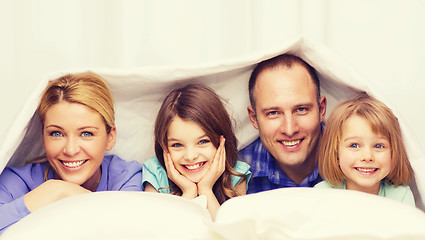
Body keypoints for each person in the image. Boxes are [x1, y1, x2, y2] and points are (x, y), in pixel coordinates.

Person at [0, 73, 143, 233]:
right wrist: (53, 190)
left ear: (110, 137)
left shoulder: (127, 177)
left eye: (86, 134)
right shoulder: (15, 181)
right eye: (56, 133)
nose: (70, 150)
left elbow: (127, 231)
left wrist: (67, 194)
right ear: (43, 137)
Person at [142, 83, 251, 220]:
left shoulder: (236, 174)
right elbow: (163, 232)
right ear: (164, 146)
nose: (190, 156)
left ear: (221, 141)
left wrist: (206, 190)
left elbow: (230, 234)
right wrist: (189, 192)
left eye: (203, 142)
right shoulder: (155, 174)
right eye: (177, 145)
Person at [240, 53, 327, 193]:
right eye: (273, 113)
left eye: (301, 109)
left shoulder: (359, 158)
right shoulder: (235, 173)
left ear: (321, 110)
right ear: (253, 118)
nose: (289, 129)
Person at [315, 94, 415, 206]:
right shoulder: (322, 194)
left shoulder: (401, 197)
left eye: (378, 146)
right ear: (336, 154)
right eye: (354, 145)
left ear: (393, 152)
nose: (367, 157)